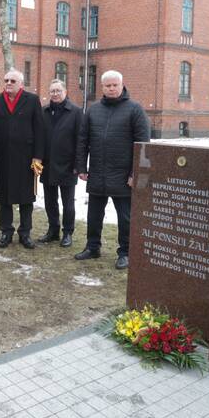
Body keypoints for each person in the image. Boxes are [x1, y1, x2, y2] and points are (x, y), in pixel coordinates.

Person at [75, 70, 150, 269]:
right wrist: (81, 166)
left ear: (121, 84)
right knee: (93, 215)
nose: (111, 88)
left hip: (123, 176)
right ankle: (93, 247)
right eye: (107, 85)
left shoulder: (135, 109)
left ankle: (125, 252)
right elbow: (83, 140)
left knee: (125, 218)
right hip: (98, 173)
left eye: (114, 85)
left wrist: (136, 174)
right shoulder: (93, 110)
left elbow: (143, 145)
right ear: (102, 87)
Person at [0, 70, 45, 249]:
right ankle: (6, 231)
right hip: (2, 157)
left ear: (21, 83)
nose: (9, 83)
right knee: (4, 197)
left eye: (13, 80)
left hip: (26, 158)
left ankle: (25, 233)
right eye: (6, 80)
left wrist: (38, 156)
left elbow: (40, 130)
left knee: (26, 197)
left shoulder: (32, 100)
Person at [39, 79, 81, 248]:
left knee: (68, 202)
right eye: (52, 91)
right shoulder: (44, 111)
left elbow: (81, 140)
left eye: (58, 91)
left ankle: (68, 232)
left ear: (65, 92)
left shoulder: (76, 112)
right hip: (47, 165)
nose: (55, 94)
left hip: (68, 165)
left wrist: (79, 165)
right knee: (50, 201)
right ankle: (53, 230)